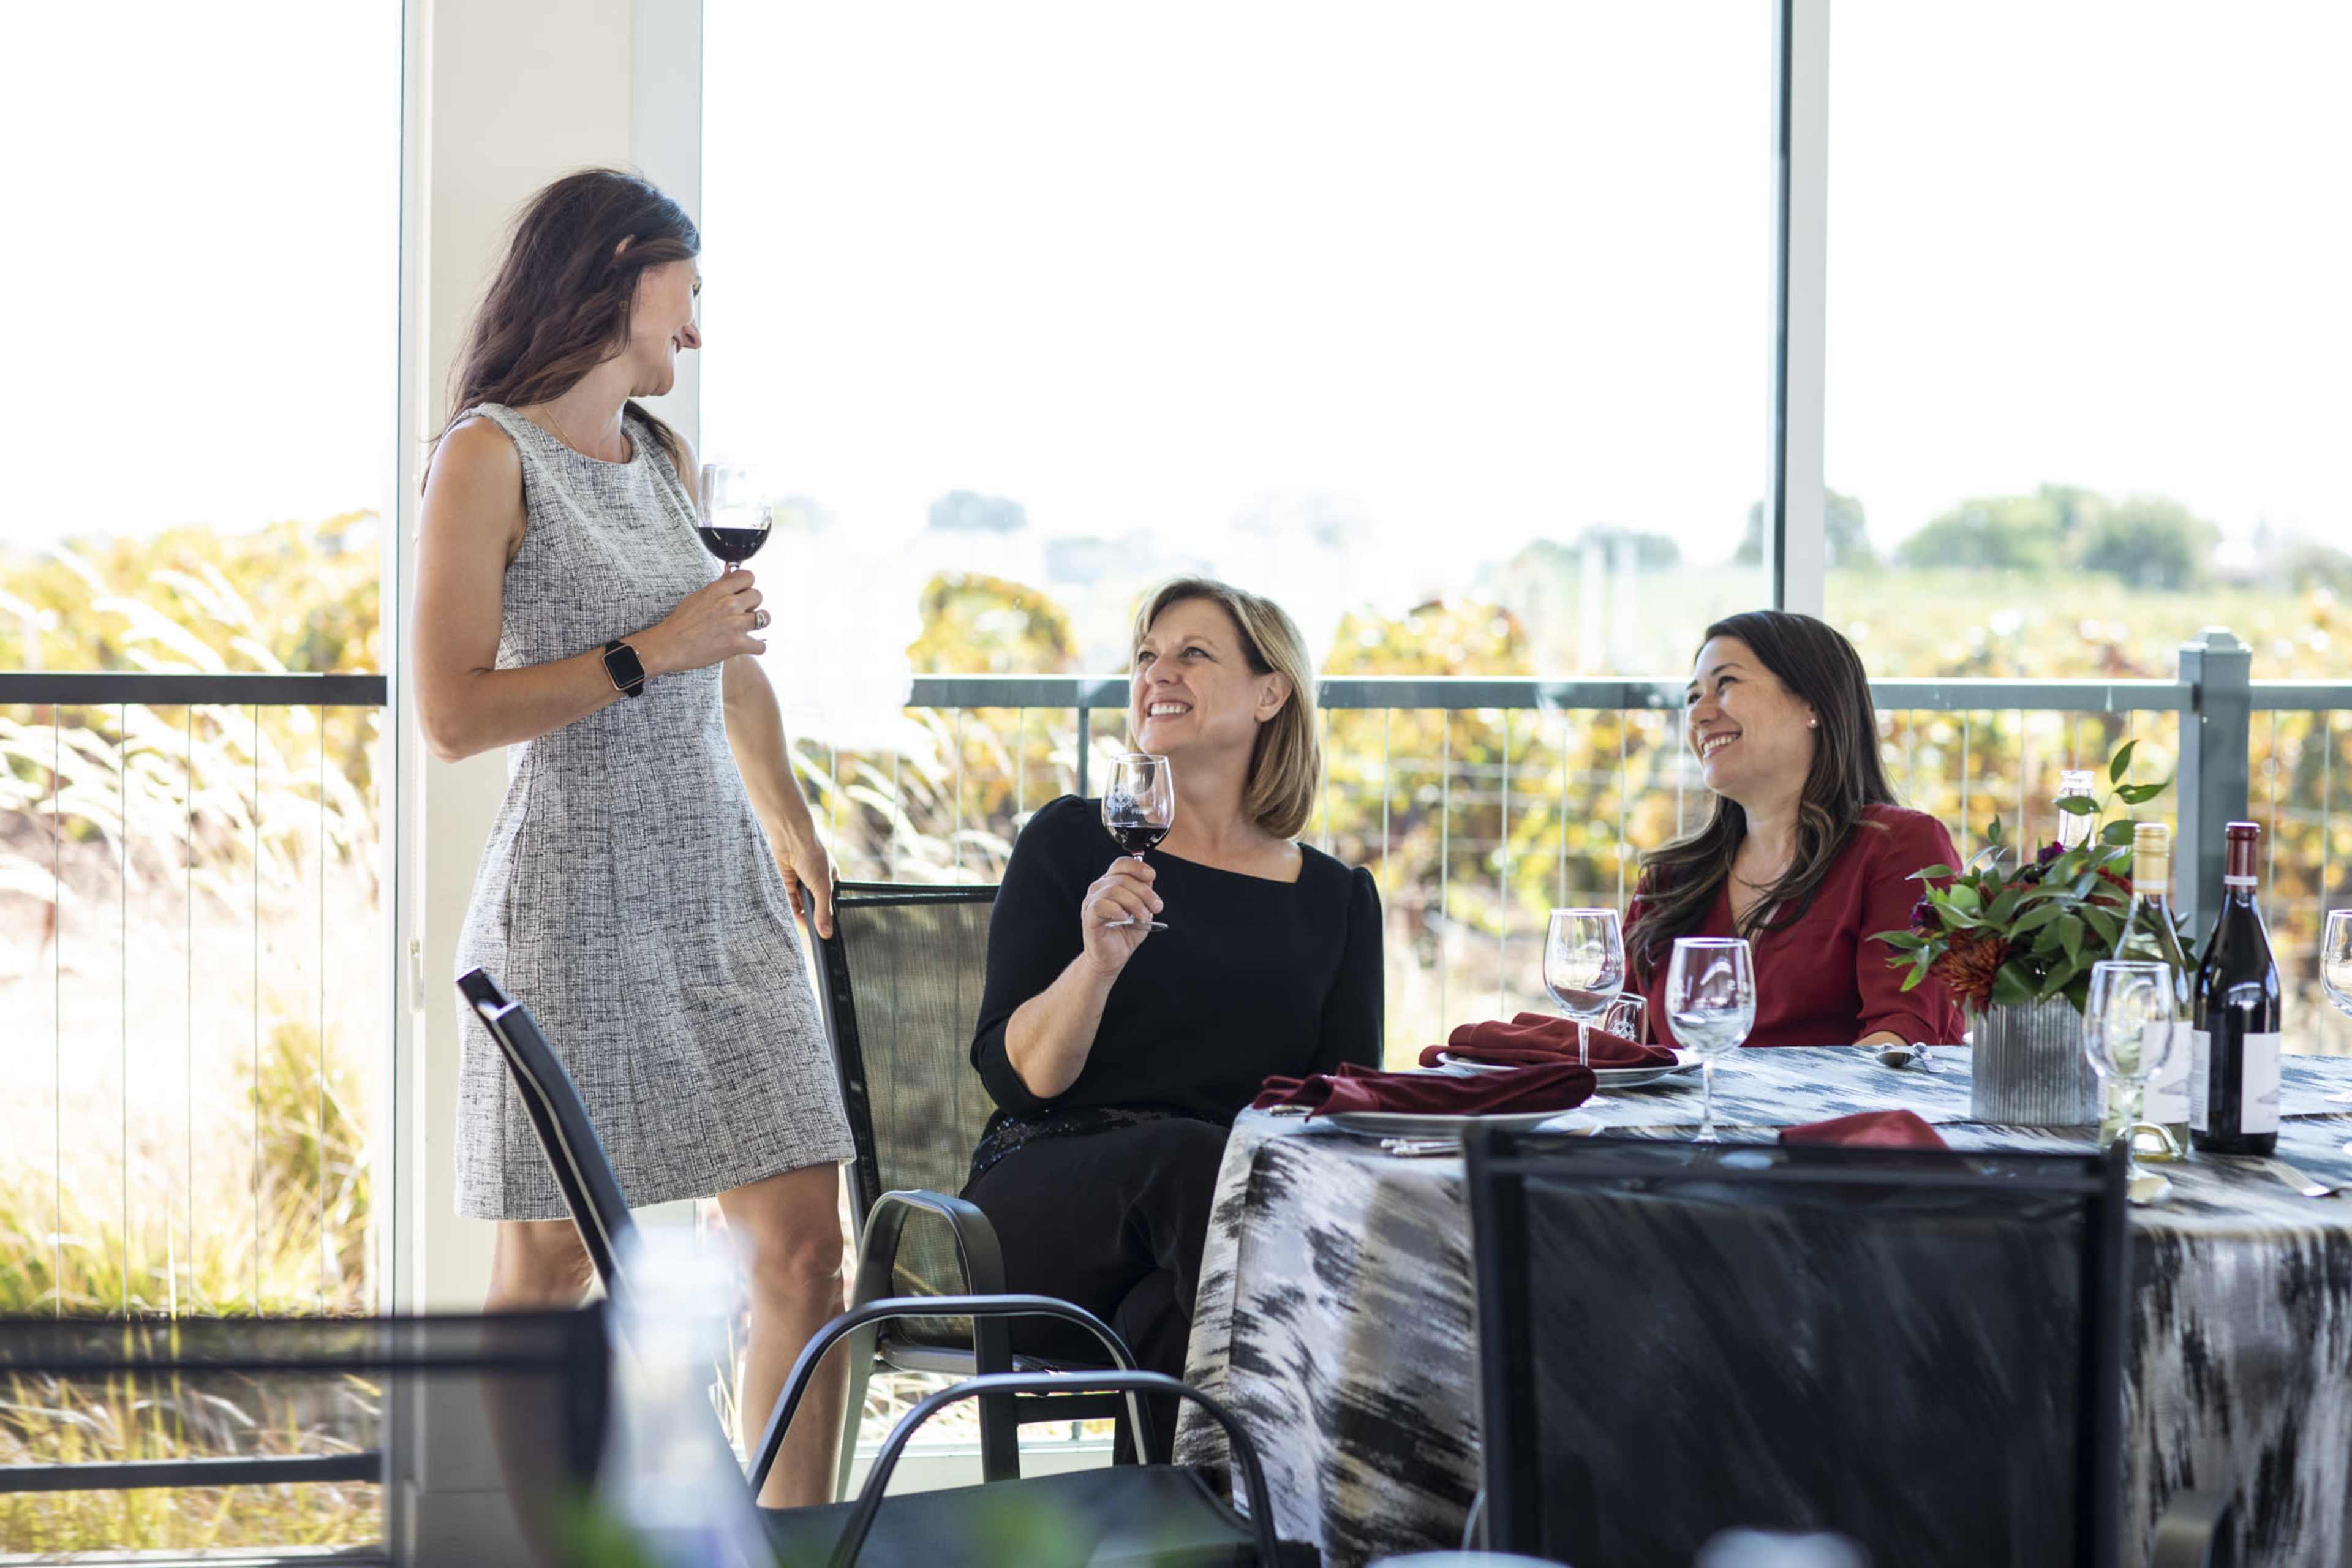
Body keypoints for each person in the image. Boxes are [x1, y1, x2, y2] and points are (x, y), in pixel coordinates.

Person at [412, 169, 851, 1506]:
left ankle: (780, 1541)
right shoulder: (487, 455)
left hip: (721, 897)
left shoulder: (663, 458)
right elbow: (450, 713)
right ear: (619, 266)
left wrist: (790, 818)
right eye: (689, 292)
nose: (696, 330)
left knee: (805, 1253)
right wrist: (650, 649)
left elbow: (727, 664)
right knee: (554, 1263)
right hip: (576, 904)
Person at [963, 578, 1382, 1449]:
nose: (1159, 671)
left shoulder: (1337, 899)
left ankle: (1188, 1519)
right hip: (1041, 1219)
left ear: (1272, 693)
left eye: (1194, 653)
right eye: (1147, 655)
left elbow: (1342, 1108)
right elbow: (1021, 1079)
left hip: (1211, 1244)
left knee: (1171, 1315)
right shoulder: (1071, 842)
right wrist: (1096, 964)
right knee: (1197, 1164)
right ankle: (1355, 1445)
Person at [1626, 609, 1966, 1050]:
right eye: (1693, 697)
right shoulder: (1669, 881)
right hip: (1686, 1101)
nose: (1699, 715)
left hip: (1844, 1100)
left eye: (1726, 684)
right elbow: (1620, 1041)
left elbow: (1900, 1039)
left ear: (1813, 704)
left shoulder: (1900, 847)